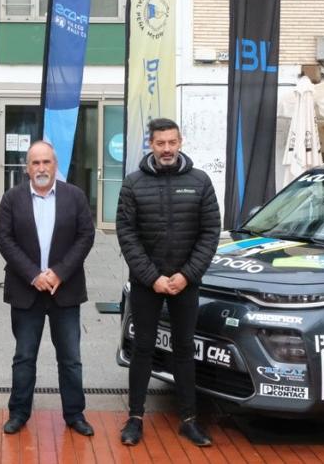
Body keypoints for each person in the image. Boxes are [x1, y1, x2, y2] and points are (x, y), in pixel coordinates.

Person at [116, 118, 221, 447]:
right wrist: (153, 278)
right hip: (148, 284)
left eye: (171, 142)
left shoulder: (200, 182)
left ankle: (189, 419)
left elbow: (210, 232)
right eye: (160, 143)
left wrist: (186, 275)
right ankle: (134, 418)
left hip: (185, 283)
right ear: (151, 144)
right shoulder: (133, 184)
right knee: (143, 349)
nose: (166, 149)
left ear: (180, 142)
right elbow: (127, 236)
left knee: (185, 350)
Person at [0, 141, 95, 436]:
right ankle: (19, 412)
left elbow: (85, 236)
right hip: (27, 291)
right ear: (27, 168)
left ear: (55, 165)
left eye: (46, 162)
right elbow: (4, 239)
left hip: (65, 290)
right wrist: (34, 275)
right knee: (24, 356)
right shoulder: (12, 199)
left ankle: (75, 414)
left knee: (71, 358)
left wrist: (59, 273)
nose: (41, 168)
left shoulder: (74, 196)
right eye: (35, 163)